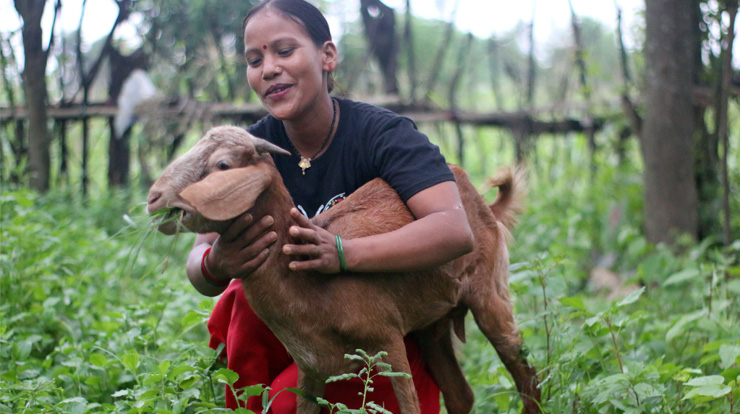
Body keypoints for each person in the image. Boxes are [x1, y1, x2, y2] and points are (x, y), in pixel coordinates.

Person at [185, 0, 475, 412]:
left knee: (289, 407)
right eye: (254, 59)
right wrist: (216, 263)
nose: (268, 69)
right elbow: (198, 259)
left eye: (284, 51)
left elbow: (453, 230)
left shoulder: (383, 135)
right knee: (239, 296)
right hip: (289, 327)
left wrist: (344, 253)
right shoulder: (248, 151)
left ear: (327, 56)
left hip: (372, 329)